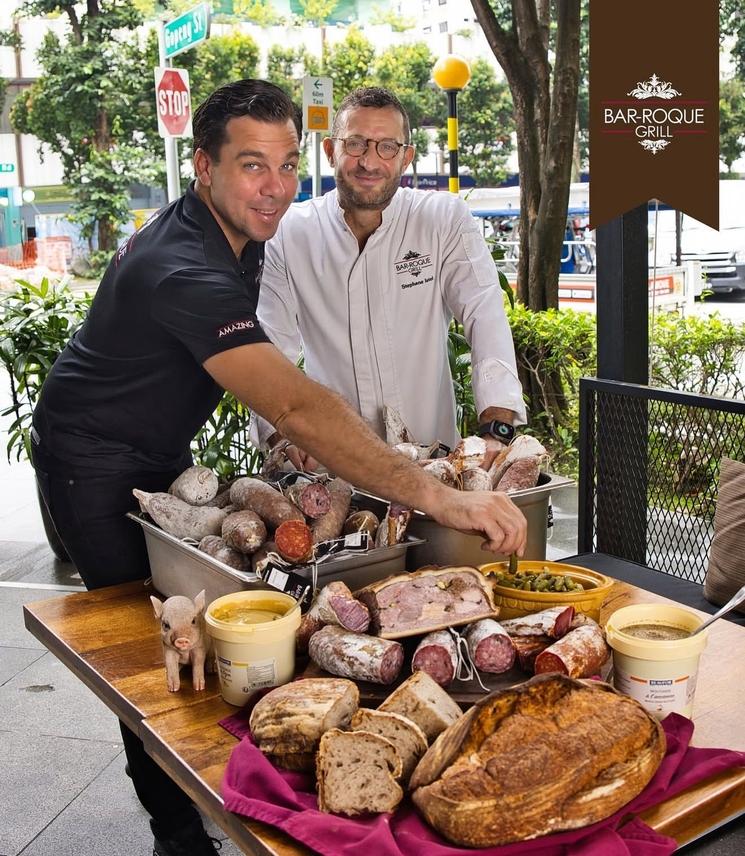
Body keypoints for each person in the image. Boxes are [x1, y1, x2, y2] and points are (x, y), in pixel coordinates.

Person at [30, 80, 527, 856]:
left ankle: (234, 793)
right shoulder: (184, 266)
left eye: (287, 163)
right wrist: (439, 498)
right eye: (252, 165)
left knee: (197, 635)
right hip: (87, 460)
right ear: (202, 166)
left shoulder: (247, 234)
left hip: (159, 452)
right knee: (152, 651)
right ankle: (178, 835)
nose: (275, 187)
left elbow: (476, 312)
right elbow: (294, 402)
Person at [251, 86, 527, 473]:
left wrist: (497, 424)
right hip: (333, 465)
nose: (370, 161)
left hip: (434, 461)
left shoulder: (442, 219)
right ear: (331, 151)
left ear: (406, 157)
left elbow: (486, 315)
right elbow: (268, 349)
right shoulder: (289, 233)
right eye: (356, 144)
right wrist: (281, 436)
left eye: (387, 147)